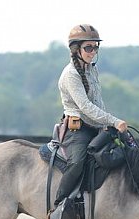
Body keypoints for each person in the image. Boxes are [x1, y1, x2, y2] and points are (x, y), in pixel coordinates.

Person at [54, 24, 128, 206]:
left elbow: (98, 102)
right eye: (88, 47)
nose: (93, 51)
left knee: (124, 153)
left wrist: (107, 125)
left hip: (95, 126)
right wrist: (113, 120)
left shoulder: (92, 69)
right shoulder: (71, 75)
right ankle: (59, 204)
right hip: (77, 130)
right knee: (77, 163)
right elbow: (85, 106)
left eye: (96, 47)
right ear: (75, 49)